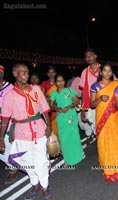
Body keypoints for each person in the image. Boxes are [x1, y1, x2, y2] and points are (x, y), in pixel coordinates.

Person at [0, 63, 54, 199]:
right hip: (21, 133)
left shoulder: (36, 89)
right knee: (27, 161)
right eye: (22, 72)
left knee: (41, 160)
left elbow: (45, 109)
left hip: (39, 130)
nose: (26, 75)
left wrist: (49, 126)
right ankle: (34, 184)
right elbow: (5, 119)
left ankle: (45, 187)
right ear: (14, 74)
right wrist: (1, 139)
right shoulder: (10, 95)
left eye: (27, 73)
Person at [90, 62, 118, 182]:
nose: (107, 73)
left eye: (109, 71)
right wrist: (100, 99)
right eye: (104, 70)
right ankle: (107, 167)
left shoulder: (116, 85)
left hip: (114, 118)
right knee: (103, 143)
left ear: (112, 73)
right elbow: (91, 104)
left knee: (116, 142)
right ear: (101, 72)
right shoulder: (95, 86)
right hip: (102, 119)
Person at [50, 74, 84, 166]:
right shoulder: (54, 93)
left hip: (71, 117)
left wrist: (68, 107)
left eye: (62, 81)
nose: (60, 83)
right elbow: (51, 106)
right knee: (64, 139)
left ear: (64, 81)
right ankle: (68, 158)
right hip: (60, 118)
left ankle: (77, 156)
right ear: (55, 82)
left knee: (73, 137)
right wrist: (58, 109)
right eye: (58, 81)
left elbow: (77, 101)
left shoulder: (70, 90)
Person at [0, 65, 18, 185]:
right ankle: (13, 166)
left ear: (2, 73)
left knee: (14, 150)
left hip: (10, 125)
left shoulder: (10, 88)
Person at [79, 48, 100, 142]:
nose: (89, 57)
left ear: (95, 56)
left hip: (102, 103)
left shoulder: (103, 69)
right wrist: (83, 109)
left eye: (90, 55)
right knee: (95, 128)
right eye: (87, 56)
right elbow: (83, 91)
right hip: (91, 105)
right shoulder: (84, 72)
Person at [41, 66, 59, 140]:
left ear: (55, 73)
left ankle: (60, 147)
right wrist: (51, 99)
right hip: (48, 108)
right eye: (49, 72)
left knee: (58, 126)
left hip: (58, 107)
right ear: (47, 74)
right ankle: (52, 146)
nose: (51, 74)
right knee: (49, 125)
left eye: (53, 72)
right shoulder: (44, 83)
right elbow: (42, 95)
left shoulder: (59, 82)